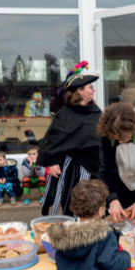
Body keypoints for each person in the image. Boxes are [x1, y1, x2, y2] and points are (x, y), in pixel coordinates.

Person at [38, 65, 102, 216]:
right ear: (79, 91)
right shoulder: (65, 114)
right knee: (74, 201)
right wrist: (52, 162)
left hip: (95, 167)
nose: (93, 90)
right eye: (90, 87)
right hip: (73, 167)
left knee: (94, 201)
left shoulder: (96, 111)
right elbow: (53, 139)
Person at [47, 179, 132, 270]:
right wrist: (125, 255)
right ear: (100, 211)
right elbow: (115, 266)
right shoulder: (104, 236)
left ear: (75, 210)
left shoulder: (61, 236)